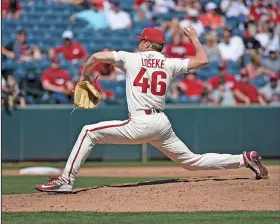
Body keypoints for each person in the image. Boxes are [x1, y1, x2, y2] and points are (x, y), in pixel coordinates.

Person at [35, 27, 268, 193]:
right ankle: (244, 159)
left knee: (88, 131)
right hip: (161, 124)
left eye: (141, 40)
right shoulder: (169, 62)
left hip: (140, 123)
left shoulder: (131, 58)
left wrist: (85, 75)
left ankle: (66, 179)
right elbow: (203, 61)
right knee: (191, 162)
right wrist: (194, 39)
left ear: (147, 44)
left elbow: (96, 56)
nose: (138, 43)